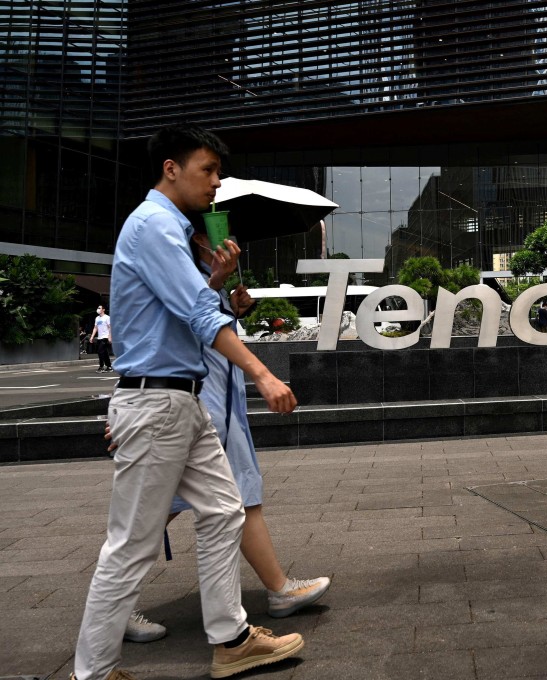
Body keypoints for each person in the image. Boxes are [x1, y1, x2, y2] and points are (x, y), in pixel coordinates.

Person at [72, 124, 303, 680]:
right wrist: (263, 374)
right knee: (131, 546)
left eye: (218, 172)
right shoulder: (154, 224)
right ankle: (94, 672)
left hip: (180, 401)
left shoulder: (170, 228)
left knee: (224, 510)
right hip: (156, 404)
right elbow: (200, 316)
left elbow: (184, 304)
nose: (216, 183)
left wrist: (214, 278)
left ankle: (231, 638)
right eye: (208, 170)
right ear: (171, 169)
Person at [115, 225, 331, 645]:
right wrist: (263, 373)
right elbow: (178, 326)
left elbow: (201, 323)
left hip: (207, 404)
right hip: (194, 404)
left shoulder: (188, 262)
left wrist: (231, 305)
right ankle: (239, 622)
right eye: (207, 173)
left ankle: (246, 620)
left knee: (229, 501)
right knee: (170, 510)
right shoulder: (161, 244)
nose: (226, 237)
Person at [90, 305, 113, 372]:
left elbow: (110, 327)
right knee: (104, 352)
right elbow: (95, 328)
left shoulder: (107, 317)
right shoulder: (97, 318)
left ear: (103, 310)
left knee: (100, 351)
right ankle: (109, 366)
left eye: (99, 308)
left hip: (105, 337)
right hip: (99, 337)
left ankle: (101, 366)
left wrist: (109, 336)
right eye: (98, 308)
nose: (98, 309)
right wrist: (92, 337)